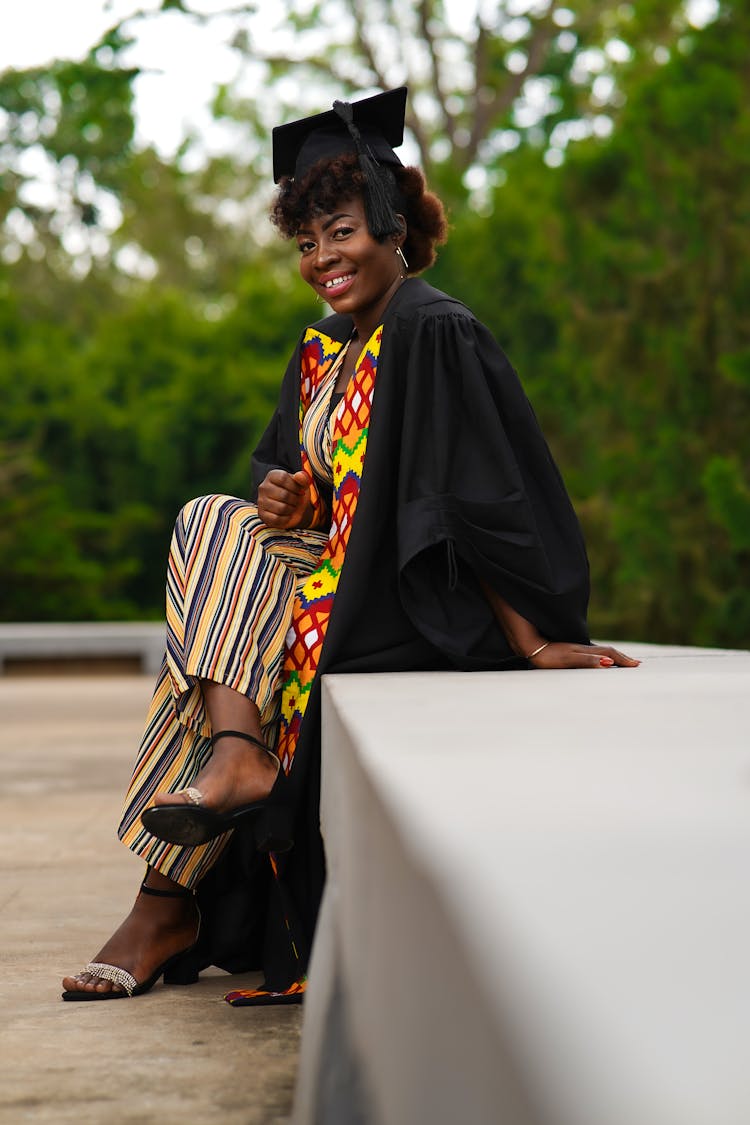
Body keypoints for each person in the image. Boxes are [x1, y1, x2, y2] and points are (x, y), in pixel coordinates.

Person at [62, 87, 638, 1005]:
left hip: (413, 605)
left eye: (339, 231)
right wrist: (287, 496)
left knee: (218, 651)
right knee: (213, 522)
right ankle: (230, 767)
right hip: (333, 583)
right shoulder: (325, 351)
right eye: (305, 241)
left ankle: (166, 898)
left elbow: (486, 498)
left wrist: (532, 638)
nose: (321, 258)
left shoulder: (432, 331)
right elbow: (288, 492)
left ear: (394, 226)